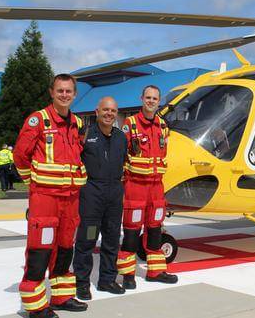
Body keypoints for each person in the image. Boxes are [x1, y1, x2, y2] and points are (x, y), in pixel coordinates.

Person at [14, 74, 88, 318]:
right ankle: (35, 306)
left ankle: (62, 295)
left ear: (74, 94)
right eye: (60, 91)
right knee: (40, 249)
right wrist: (32, 183)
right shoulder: (38, 120)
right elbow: (20, 156)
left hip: (71, 197)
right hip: (45, 197)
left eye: (68, 91)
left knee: (66, 245)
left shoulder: (77, 122)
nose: (64, 95)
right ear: (51, 92)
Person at [116, 85, 178, 288]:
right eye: (148, 97)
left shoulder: (163, 125)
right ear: (142, 98)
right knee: (132, 232)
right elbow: (121, 154)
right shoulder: (130, 124)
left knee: (155, 231)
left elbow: (163, 153)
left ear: (159, 101)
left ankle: (156, 271)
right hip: (136, 186)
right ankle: (127, 274)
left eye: (155, 98)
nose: (151, 101)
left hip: (156, 187)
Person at [73, 97, 128, 300]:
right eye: (105, 110)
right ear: (97, 111)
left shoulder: (122, 138)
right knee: (87, 239)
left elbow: (123, 162)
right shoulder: (86, 134)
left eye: (113, 111)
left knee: (112, 239)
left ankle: (107, 280)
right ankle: (82, 283)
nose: (109, 114)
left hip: (114, 193)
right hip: (92, 194)